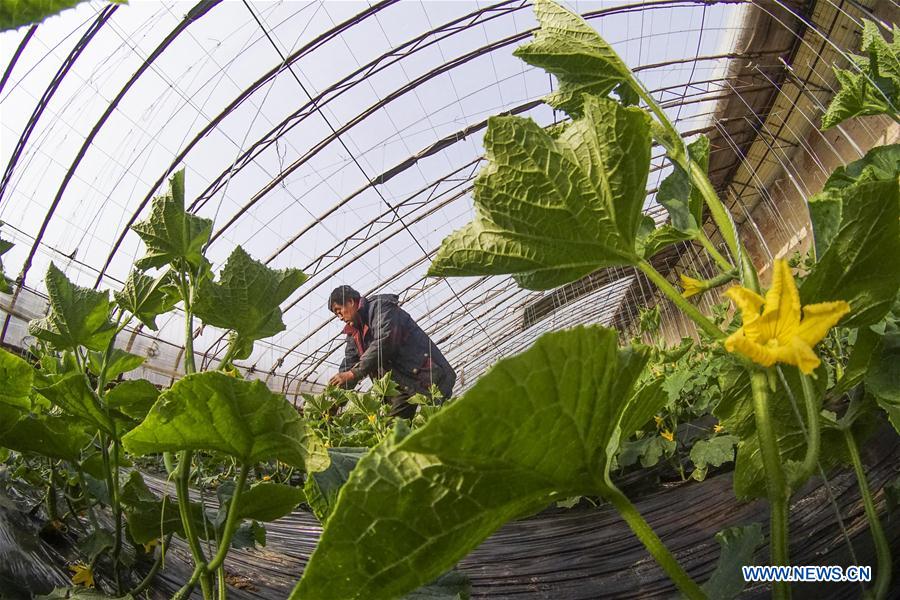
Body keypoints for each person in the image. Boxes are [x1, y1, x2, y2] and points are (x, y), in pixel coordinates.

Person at [327, 285, 456, 418]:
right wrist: (336, 401)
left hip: (424, 375)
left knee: (440, 420)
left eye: (339, 310)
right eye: (337, 314)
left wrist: (354, 373)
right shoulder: (354, 332)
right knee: (394, 429)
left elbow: (384, 341)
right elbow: (349, 364)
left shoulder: (381, 307)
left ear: (350, 302)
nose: (340, 317)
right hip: (400, 384)